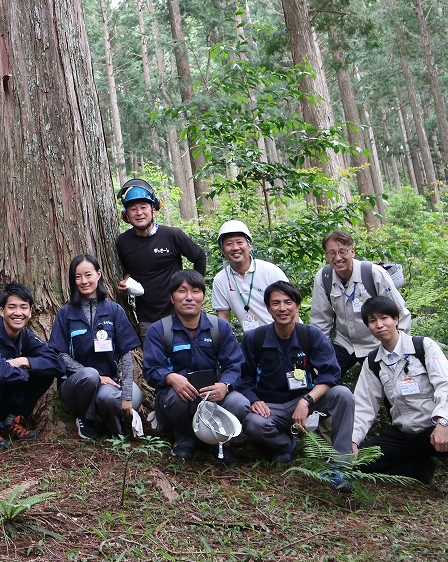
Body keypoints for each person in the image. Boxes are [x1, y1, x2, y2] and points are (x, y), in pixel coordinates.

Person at [352, 296, 448, 501]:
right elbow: (363, 406)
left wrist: (443, 423)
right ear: (368, 326)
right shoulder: (373, 362)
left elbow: (447, 386)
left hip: (434, 429)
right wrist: (353, 442)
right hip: (404, 434)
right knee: (363, 460)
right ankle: (418, 468)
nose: (379, 325)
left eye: (384, 318)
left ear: (396, 319)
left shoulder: (423, 347)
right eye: (372, 321)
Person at [239, 281, 356, 489]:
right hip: (270, 405)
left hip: (304, 400)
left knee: (343, 395)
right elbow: (244, 378)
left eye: (288, 302)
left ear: (298, 306)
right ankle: (286, 445)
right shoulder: (255, 339)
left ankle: (340, 466)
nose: (282, 308)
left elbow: (330, 375)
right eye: (275, 303)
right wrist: (254, 400)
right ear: (268, 308)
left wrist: (307, 400)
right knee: (253, 424)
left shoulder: (310, 335)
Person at [143, 270, 251, 460]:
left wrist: (224, 385)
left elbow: (235, 364)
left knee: (239, 403)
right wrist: (170, 377)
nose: (189, 298)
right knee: (177, 399)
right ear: (172, 297)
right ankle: (184, 440)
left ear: (203, 296)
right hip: (177, 396)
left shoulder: (219, 327)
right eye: (182, 291)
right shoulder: (159, 330)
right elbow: (151, 370)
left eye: (195, 291)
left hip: (212, 394)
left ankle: (219, 441)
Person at [50, 253, 141, 440]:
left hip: (110, 381)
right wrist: (97, 376)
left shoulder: (114, 310)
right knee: (90, 375)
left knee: (113, 398)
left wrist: (127, 397)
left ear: (98, 274)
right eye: (78, 277)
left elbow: (126, 355)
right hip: (75, 383)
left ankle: (114, 424)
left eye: (88, 275)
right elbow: (59, 354)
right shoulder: (65, 313)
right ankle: (85, 418)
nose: (84, 281)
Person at [0, 283, 66, 449]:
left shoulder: (26, 336)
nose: (18, 313)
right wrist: (24, 373)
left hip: (8, 397)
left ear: (30, 312)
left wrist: (24, 362)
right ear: (1, 311)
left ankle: (12, 421)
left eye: (23, 307)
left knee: (45, 372)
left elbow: (57, 364)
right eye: (12, 307)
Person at [310, 230, 413, 379]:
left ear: (353, 252)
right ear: (326, 256)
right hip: (345, 342)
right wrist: (320, 352)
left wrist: (399, 348)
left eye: (342, 251)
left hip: (376, 342)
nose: (337, 258)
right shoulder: (324, 277)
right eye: (331, 253)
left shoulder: (373, 273)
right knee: (324, 380)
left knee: (390, 387)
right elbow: (321, 319)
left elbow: (399, 312)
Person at [113, 177, 206, 338]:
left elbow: (199, 257)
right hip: (147, 320)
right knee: (154, 361)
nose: (139, 212)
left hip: (179, 315)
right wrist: (125, 284)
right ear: (126, 215)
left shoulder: (172, 235)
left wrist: (195, 290)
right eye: (133, 209)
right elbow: (127, 271)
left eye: (143, 207)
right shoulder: (123, 242)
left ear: (153, 209)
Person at [210, 220, 289, 335]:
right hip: (253, 343)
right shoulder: (220, 279)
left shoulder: (270, 271)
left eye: (239, 242)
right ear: (222, 250)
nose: (235, 247)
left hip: (283, 335)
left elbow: (290, 305)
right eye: (229, 244)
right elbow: (223, 317)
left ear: (249, 246)